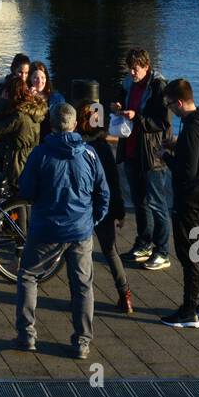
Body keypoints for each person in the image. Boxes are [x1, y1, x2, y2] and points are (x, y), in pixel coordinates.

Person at [14, 103, 110, 358]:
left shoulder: (41, 154)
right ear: (75, 124)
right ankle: (82, 341)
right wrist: (92, 221)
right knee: (82, 286)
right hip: (80, 230)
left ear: (51, 125)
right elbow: (103, 193)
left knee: (28, 275)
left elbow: (26, 191)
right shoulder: (89, 154)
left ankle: (27, 334)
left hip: (46, 228)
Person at [159, 79, 199, 328]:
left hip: (189, 199)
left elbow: (187, 171)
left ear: (180, 102)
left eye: (171, 105)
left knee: (189, 254)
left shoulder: (191, 130)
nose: (170, 109)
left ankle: (188, 310)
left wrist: (166, 157)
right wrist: (178, 146)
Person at [111, 48, 173, 271]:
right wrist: (116, 106)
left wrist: (137, 117)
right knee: (139, 202)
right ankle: (144, 243)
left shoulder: (159, 86)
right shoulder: (128, 82)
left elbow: (163, 122)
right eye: (130, 67)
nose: (132, 71)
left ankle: (163, 251)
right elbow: (119, 97)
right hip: (131, 150)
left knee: (157, 203)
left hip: (152, 154)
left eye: (136, 67)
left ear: (146, 66)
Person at [77, 102, 133, 313]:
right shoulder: (103, 148)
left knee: (73, 250)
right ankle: (125, 294)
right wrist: (119, 211)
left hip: (81, 206)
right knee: (110, 251)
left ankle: (80, 295)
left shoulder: (79, 148)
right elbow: (114, 183)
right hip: (104, 205)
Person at [0, 74, 47, 191]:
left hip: (17, 161)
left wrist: (1, 102)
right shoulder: (33, 111)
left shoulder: (19, 116)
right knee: (24, 195)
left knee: (16, 194)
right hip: (30, 157)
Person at [27, 60, 67, 139]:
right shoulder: (25, 97)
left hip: (52, 140)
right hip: (32, 141)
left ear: (47, 78)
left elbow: (64, 121)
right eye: (35, 77)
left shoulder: (57, 98)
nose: (40, 81)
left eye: (43, 77)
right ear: (30, 79)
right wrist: (29, 99)